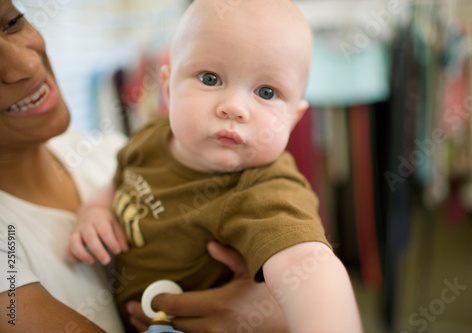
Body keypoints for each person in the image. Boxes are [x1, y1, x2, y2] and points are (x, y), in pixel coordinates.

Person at [67, 0, 364, 332]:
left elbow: (308, 266)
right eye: (210, 78)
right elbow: (120, 177)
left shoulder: (264, 188)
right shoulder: (152, 136)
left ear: (293, 120)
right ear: (167, 88)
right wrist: (95, 208)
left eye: (266, 91)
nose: (235, 107)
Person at [0, 0, 291, 332]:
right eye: (210, 79)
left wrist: (273, 312)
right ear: (167, 85)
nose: (24, 64)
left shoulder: (111, 151)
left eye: (12, 23)